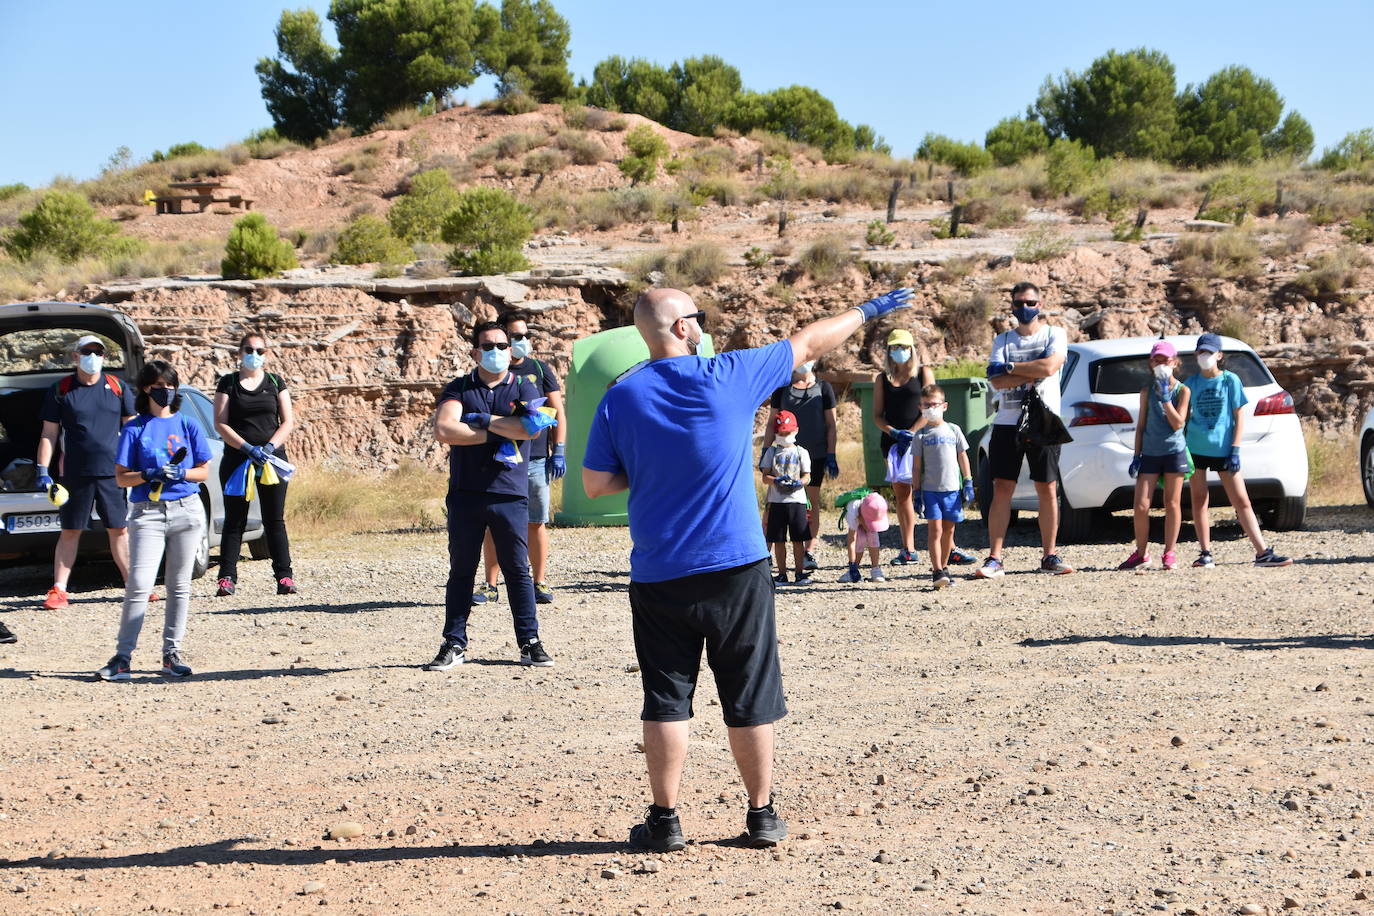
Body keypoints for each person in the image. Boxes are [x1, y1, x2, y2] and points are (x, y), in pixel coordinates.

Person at [583, 284, 914, 852]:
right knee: (749, 691)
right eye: (700, 317)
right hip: (737, 564)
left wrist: (660, 470)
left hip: (660, 569)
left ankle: (664, 821)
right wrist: (866, 311)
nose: (705, 325)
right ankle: (760, 815)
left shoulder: (621, 396)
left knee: (666, 696)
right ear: (683, 328)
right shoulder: (728, 374)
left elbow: (595, 485)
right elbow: (809, 343)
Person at [427, 320, 557, 671]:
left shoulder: (525, 387)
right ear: (474, 352)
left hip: (509, 494)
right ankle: (454, 642)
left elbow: (530, 428)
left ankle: (529, 642)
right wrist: (500, 430)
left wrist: (482, 420)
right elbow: (445, 429)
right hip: (466, 493)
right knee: (461, 571)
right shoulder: (458, 387)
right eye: (489, 346)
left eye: (502, 345)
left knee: (518, 570)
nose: (497, 352)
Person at [96, 361, 212, 681]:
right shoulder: (135, 428)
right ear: (146, 389)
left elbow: (204, 470)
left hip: (187, 510)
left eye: (170, 385)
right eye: (159, 385)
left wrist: (182, 473)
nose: (166, 391)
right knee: (139, 584)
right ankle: (122, 658)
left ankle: (171, 654)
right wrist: (147, 474)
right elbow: (121, 479)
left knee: (179, 586)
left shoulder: (188, 424)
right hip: (147, 512)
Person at [975, 282, 1074, 578]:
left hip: (1043, 421)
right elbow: (996, 381)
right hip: (1006, 422)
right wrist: (1018, 371)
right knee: (1001, 489)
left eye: (1030, 302)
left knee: (1047, 487)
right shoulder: (1002, 340)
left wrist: (1011, 368)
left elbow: (1049, 367)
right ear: (1012, 306)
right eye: (1019, 303)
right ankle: (994, 558)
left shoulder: (1055, 334)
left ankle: (1049, 556)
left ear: (1040, 304)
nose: (1024, 308)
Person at [35, 334, 136, 610]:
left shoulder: (118, 387)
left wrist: (137, 466)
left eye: (98, 352)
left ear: (104, 357)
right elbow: (49, 433)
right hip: (75, 475)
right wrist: (43, 470)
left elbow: (132, 429)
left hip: (112, 473)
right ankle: (59, 590)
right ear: (75, 356)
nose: (93, 357)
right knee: (70, 530)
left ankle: (134, 587)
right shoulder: (62, 389)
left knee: (119, 529)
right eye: (87, 352)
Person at [476, 310, 567, 606]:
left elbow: (556, 412)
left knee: (535, 522)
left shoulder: (539, 370)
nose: (522, 341)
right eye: (516, 336)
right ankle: (491, 584)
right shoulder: (493, 376)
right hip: (499, 458)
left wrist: (559, 449)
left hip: (536, 458)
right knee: (493, 522)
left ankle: (539, 581)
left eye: (525, 336)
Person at [1184, 333, 1292, 568]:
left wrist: (1235, 448)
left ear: (1219, 355)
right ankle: (1205, 552)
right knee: (1199, 500)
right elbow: (1182, 416)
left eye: (1209, 352)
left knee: (1241, 500)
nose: (1205, 357)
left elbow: (1238, 416)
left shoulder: (1230, 380)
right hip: (1196, 448)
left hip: (1223, 449)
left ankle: (1262, 551)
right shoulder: (1190, 384)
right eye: (1201, 352)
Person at [872, 329, 977, 569]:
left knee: (937, 485)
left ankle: (950, 548)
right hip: (894, 444)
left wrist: (913, 432)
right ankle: (908, 549)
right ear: (889, 351)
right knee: (903, 495)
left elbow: (932, 405)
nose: (900, 352)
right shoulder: (882, 379)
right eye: (895, 347)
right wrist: (893, 433)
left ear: (912, 349)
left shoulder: (922, 373)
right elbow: (877, 415)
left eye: (904, 347)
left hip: (924, 438)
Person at [212, 331, 297, 596]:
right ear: (239, 353)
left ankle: (284, 576)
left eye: (260, 351)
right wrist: (247, 448)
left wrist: (269, 447)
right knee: (234, 520)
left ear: (266, 355)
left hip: (271, 462)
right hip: (238, 462)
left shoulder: (275, 382)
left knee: (274, 520)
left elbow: (287, 421)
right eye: (249, 350)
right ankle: (227, 577)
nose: (254, 355)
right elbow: (221, 423)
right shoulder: (228, 383)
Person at [1118, 341, 1192, 571]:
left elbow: (1178, 423)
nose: (1161, 364)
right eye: (1156, 360)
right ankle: (1141, 553)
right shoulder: (1146, 391)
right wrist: (1136, 455)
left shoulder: (1183, 391)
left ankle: (1169, 552)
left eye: (1165, 360)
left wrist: (1166, 399)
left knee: (1172, 503)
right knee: (1141, 505)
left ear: (1174, 362)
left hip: (1173, 451)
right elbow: (1141, 426)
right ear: (1151, 363)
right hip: (1149, 452)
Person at [760, 360, 837, 570]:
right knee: (773, 504)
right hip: (781, 456)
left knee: (809, 504)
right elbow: (770, 423)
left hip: (815, 454)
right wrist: (766, 450)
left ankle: (808, 551)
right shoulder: (782, 389)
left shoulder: (823, 388)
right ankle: (764, 552)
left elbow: (831, 425)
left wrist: (831, 453)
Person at [911, 384, 975, 589]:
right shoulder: (920, 435)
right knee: (935, 530)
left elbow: (962, 456)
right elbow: (916, 466)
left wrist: (968, 480)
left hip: (952, 490)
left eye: (934, 404)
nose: (930, 408)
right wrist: (917, 491)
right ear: (920, 407)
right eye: (926, 405)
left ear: (944, 406)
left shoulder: (954, 430)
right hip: (931, 491)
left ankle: (944, 567)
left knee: (949, 531)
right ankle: (937, 569)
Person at [758, 410, 812, 586]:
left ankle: (799, 573)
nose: (784, 436)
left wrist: (799, 483)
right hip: (777, 502)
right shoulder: (771, 453)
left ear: (795, 430)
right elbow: (765, 476)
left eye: (787, 433)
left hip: (797, 501)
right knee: (778, 539)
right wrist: (776, 481)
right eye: (781, 433)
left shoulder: (801, 452)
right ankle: (782, 574)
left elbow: (807, 475)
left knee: (798, 539)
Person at [838, 490, 889, 583]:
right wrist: (852, 565)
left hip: (864, 514)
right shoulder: (852, 511)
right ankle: (853, 571)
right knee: (860, 539)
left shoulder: (879, 505)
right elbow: (851, 541)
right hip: (857, 519)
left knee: (873, 536)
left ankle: (875, 569)